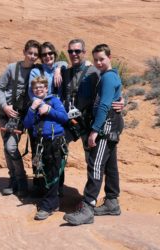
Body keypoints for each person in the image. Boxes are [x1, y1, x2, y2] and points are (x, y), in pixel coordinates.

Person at [63, 44, 124, 225]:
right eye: (96, 59)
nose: (98, 63)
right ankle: (112, 202)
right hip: (110, 126)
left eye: (102, 59)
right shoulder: (107, 76)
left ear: (109, 57)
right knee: (110, 164)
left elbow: (104, 105)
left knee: (95, 164)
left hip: (105, 128)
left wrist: (94, 132)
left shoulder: (107, 78)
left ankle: (88, 207)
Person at [0, 39, 40, 197]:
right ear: (24, 52)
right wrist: (4, 106)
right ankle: (13, 181)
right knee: (7, 148)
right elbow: (0, 88)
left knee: (11, 147)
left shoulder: (37, 70)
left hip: (22, 116)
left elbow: (59, 63)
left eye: (36, 54)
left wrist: (88, 61)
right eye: (30, 53)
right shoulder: (12, 68)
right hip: (5, 113)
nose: (33, 56)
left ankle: (21, 181)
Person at [23, 76, 68, 220]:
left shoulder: (54, 101)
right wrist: (32, 108)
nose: (39, 89)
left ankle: (49, 205)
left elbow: (64, 117)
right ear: (33, 90)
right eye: (36, 88)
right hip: (39, 143)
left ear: (46, 89)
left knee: (53, 172)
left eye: (41, 87)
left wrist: (49, 110)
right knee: (41, 170)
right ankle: (51, 199)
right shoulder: (33, 104)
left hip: (54, 141)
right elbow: (27, 124)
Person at [27, 42, 68, 196]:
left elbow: (65, 62)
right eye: (43, 54)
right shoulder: (36, 71)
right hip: (40, 115)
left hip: (56, 116)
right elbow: (32, 93)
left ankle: (58, 188)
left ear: (54, 54)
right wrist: (42, 107)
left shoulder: (60, 67)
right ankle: (40, 186)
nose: (47, 56)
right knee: (38, 152)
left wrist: (58, 68)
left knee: (57, 153)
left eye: (50, 53)